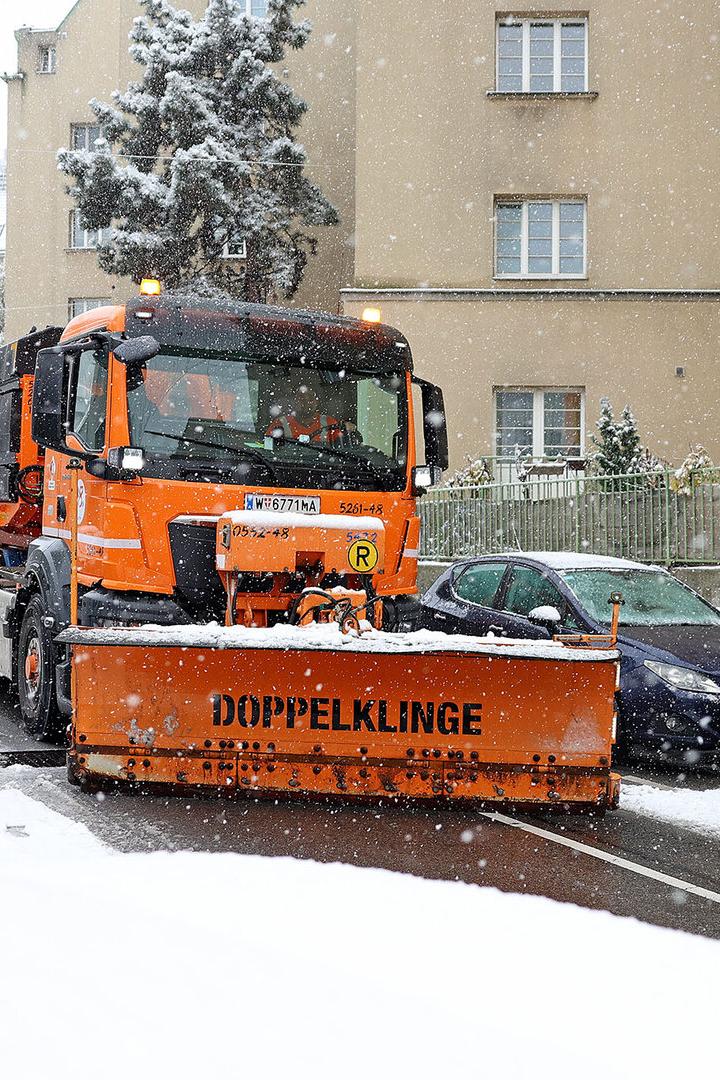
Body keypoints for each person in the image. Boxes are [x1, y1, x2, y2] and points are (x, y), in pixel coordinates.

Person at [267, 380, 355, 446]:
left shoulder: (330, 423)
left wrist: (348, 430)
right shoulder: (281, 423)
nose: (306, 402)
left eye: (310, 398)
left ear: (317, 402)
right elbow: (268, 447)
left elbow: (343, 448)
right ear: (294, 401)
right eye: (301, 398)